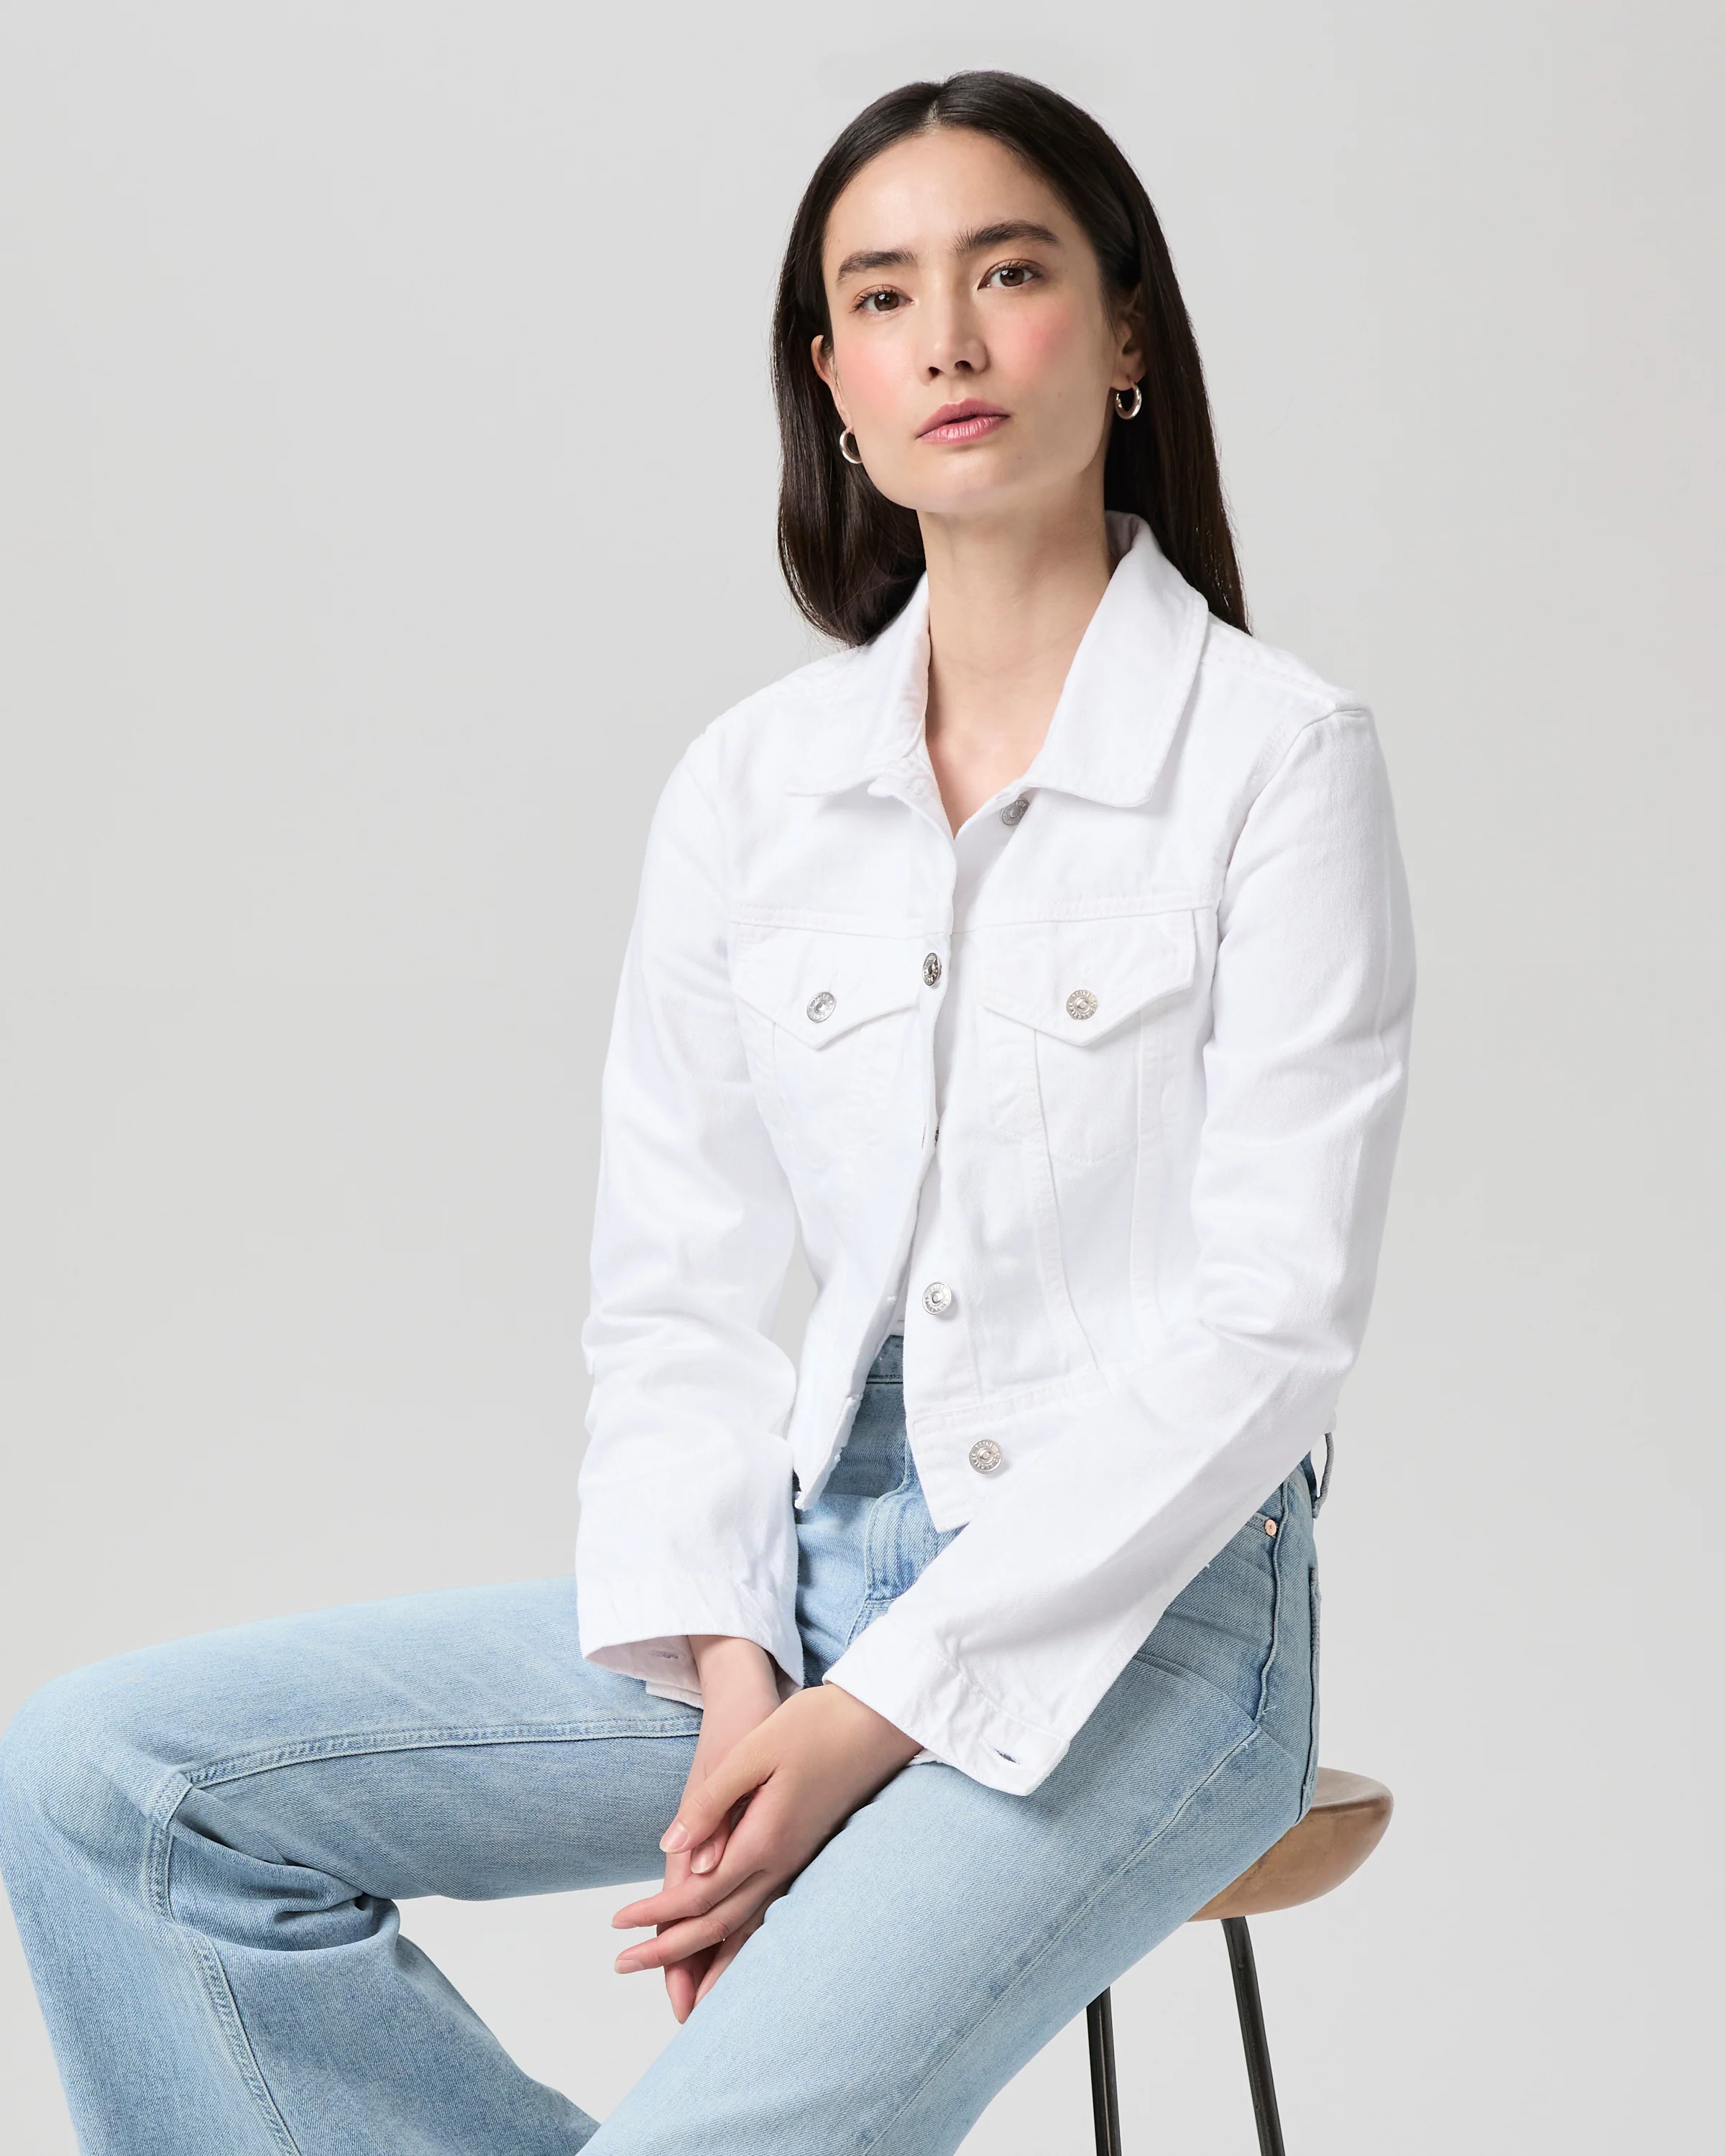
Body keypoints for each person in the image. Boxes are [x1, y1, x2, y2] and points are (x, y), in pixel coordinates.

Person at [0, 70, 1414, 2156]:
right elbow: (674, 1293)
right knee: (113, 1787)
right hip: (803, 1584)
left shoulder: (1275, 759)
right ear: (831, 380)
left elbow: (1271, 1324)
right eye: (883, 295)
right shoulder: (754, 791)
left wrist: (875, 1716)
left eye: (1011, 272)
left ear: (1125, 332)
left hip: (1150, 1639)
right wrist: (740, 1659)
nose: (948, 338)